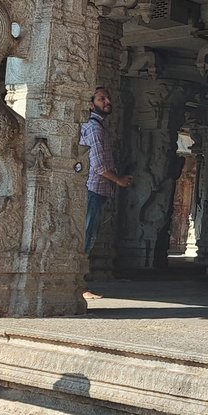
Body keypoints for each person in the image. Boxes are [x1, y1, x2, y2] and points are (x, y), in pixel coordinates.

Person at [80, 85, 132, 297]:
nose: (107, 101)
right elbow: (99, 164)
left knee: (89, 234)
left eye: (108, 98)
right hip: (93, 187)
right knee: (86, 236)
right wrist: (118, 180)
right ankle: (78, 285)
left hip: (97, 189)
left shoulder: (99, 126)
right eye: (101, 98)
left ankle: (80, 284)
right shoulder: (94, 128)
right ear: (91, 103)